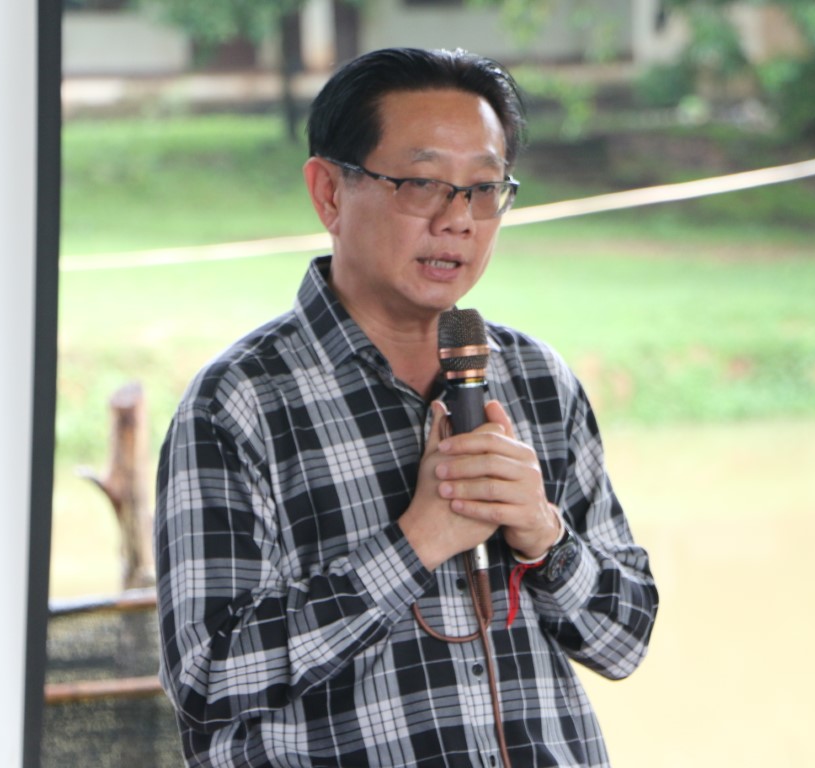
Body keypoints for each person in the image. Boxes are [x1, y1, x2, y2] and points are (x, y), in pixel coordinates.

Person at [156, 47, 658, 768]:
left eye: (484, 189)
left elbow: (625, 639)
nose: (459, 221)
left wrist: (544, 535)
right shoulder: (239, 403)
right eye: (423, 184)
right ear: (329, 192)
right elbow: (207, 679)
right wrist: (416, 541)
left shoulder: (538, 378)